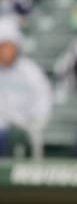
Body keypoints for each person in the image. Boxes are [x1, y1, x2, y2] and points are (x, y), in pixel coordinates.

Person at [0, 17, 51, 157]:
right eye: (1, 46)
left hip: (22, 128)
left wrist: (33, 123)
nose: (5, 51)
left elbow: (42, 102)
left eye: (8, 45)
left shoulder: (30, 71)